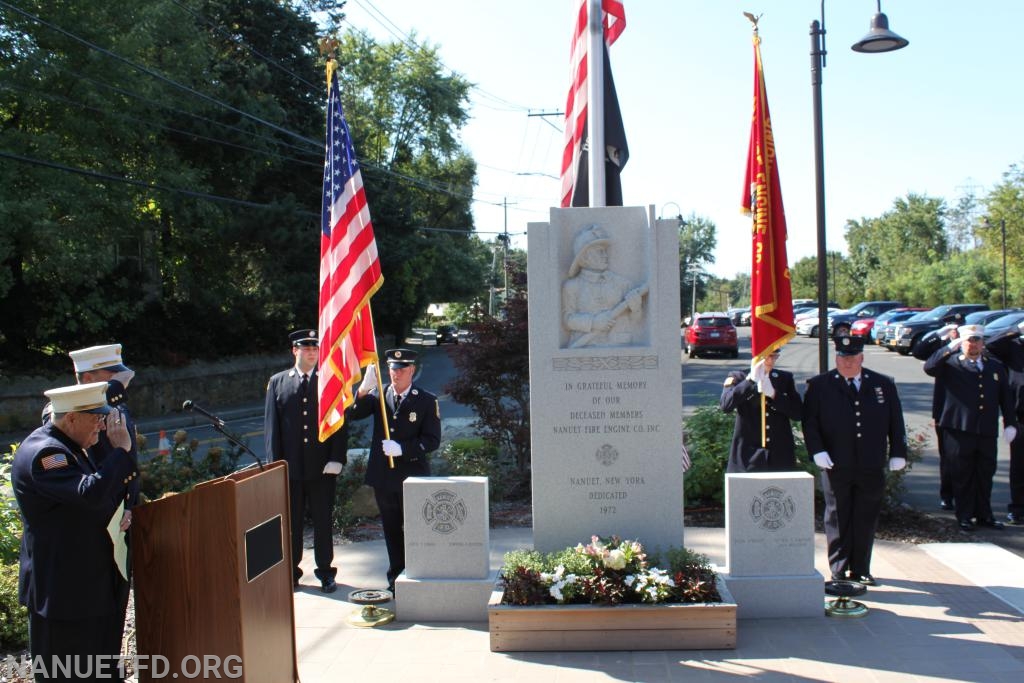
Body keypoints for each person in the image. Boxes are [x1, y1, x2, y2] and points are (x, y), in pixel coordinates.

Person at [13, 381, 137, 680]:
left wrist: (119, 513)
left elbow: (87, 504)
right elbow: (87, 494)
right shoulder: (46, 453)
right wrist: (120, 452)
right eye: (96, 419)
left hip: (87, 590)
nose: (102, 427)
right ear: (71, 418)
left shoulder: (72, 446)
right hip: (64, 597)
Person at [802, 336, 907, 585]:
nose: (847, 362)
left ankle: (860, 568)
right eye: (842, 357)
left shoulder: (882, 384)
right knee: (838, 515)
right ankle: (839, 568)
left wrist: (898, 452)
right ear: (836, 357)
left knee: (865, 515)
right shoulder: (819, 385)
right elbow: (810, 423)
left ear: (861, 357)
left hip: (870, 463)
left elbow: (896, 420)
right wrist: (817, 450)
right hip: (835, 463)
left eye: (852, 358)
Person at [348, 348, 441, 591]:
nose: (396, 374)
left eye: (401, 369)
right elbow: (353, 414)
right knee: (391, 527)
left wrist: (403, 449)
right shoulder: (378, 395)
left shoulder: (426, 400)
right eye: (392, 369)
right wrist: (363, 390)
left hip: (413, 474)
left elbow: (432, 440)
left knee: (416, 528)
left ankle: (419, 573)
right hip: (384, 476)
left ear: (411, 370)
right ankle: (396, 577)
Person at [264, 329, 348, 593]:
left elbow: (339, 425)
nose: (312, 353)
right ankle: (292, 572)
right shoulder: (277, 382)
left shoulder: (329, 381)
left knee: (323, 521)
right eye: (306, 349)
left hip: (322, 467)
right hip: (290, 468)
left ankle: (325, 572)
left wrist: (337, 457)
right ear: (295, 351)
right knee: (292, 523)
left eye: (315, 349)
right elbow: (272, 429)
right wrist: (274, 465)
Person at [925, 324, 1018, 531]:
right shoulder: (950, 364)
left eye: (977, 340)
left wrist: (1010, 423)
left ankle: (985, 514)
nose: (973, 345)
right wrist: (949, 346)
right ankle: (965, 515)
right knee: (962, 474)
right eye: (969, 340)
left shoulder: (993, 366)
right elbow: (929, 367)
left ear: (982, 343)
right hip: (958, 429)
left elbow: (1005, 398)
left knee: (985, 474)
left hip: (985, 430)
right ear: (962, 342)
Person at [561, 224, 647, 348]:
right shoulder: (572, 286)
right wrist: (593, 322)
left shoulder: (622, 284)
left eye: (605, 251)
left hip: (620, 349)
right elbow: (567, 319)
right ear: (584, 257)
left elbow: (637, 321)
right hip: (584, 348)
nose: (606, 255)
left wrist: (636, 309)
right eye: (600, 252)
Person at [719, 348, 802, 472]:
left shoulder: (784, 378)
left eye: (774, 356)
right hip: (747, 457)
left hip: (780, 456)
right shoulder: (739, 377)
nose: (770, 360)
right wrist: (750, 381)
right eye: (766, 356)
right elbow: (726, 405)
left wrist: (774, 395)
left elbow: (798, 413)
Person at [913, 324, 959, 510]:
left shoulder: (972, 345)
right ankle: (947, 495)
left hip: (969, 412)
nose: (956, 332)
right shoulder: (941, 347)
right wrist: (938, 334)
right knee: (948, 456)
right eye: (952, 329)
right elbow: (919, 352)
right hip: (945, 410)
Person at [985, 320, 1024, 525]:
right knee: (1019, 466)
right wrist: (1016, 329)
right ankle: (1018, 509)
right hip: (1021, 415)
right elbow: (991, 345)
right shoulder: (1014, 346)